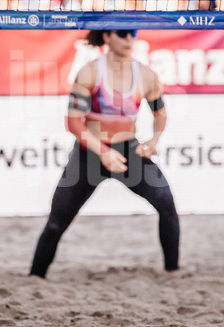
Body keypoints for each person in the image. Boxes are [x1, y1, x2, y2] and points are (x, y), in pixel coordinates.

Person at [29, 30, 180, 278]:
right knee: (56, 223)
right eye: (122, 34)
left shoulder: (145, 75)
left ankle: (173, 274)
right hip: (90, 153)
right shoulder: (90, 72)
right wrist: (103, 152)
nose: (129, 39)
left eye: (133, 33)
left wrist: (154, 140)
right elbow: (74, 123)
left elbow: (160, 114)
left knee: (166, 203)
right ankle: (35, 279)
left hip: (127, 151)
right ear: (107, 37)